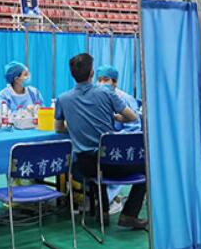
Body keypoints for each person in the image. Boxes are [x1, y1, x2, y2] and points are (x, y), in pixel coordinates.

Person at [55, 53, 145, 229]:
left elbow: (58, 128)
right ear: (92, 73)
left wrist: (76, 126)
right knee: (146, 168)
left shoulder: (63, 99)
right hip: (111, 163)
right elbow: (133, 117)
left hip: (84, 166)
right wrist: (116, 117)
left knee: (96, 164)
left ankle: (102, 211)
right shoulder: (106, 93)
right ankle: (129, 215)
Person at [96, 65, 141, 132]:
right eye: (99, 80)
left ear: (115, 82)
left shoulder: (126, 99)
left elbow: (134, 129)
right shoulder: (97, 99)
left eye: (106, 80)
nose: (102, 84)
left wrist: (114, 136)